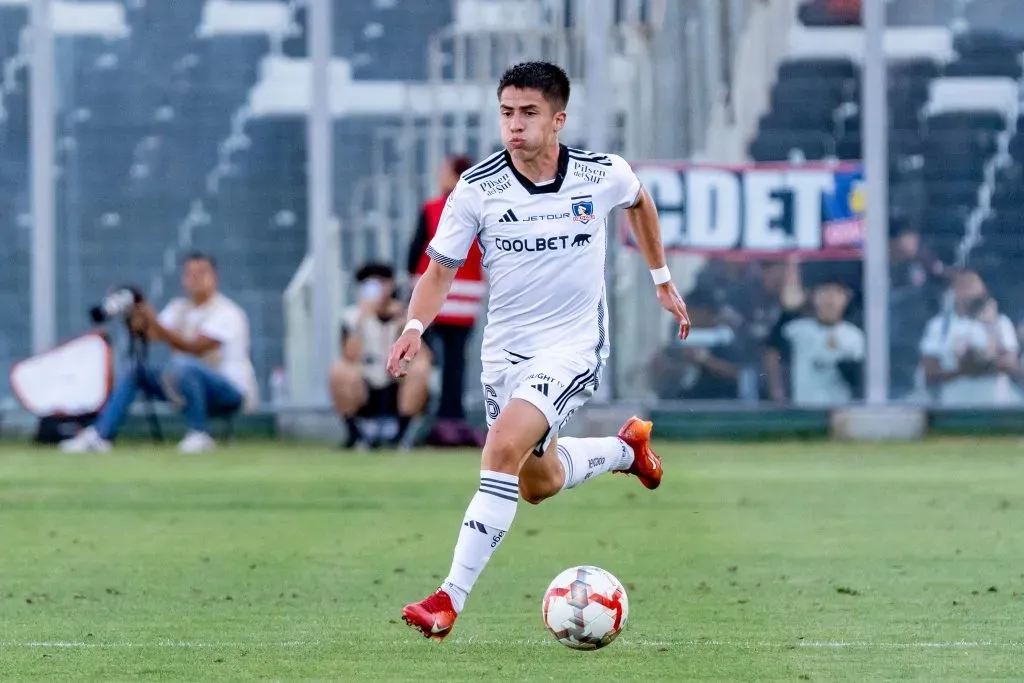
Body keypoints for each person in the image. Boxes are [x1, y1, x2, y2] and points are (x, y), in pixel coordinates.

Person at [386, 61, 690, 640]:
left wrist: (661, 277)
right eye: (506, 113)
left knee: (498, 448)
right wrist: (414, 326)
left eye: (528, 113)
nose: (515, 126)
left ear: (558, 119)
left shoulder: (602, 174)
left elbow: (640, 202)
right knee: (537, 482)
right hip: (505, 355)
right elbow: (439, 270)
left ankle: (447, 599)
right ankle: (626, 452)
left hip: (572, 348)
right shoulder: (476, 188)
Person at [60, 251, 259, 453]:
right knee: (136, 371)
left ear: (215, 277)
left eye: (201, 273)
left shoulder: (228, 313)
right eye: (190, 274)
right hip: (183, 384)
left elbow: (193, 348)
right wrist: (134, 315)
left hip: (229, 391)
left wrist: (153, 319)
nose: (195, 279)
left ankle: (199, 434)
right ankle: (101, 436)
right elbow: (151, 334)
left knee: (184, 363)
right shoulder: (178, 307)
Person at [407, 155, 486, 447]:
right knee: (456, 365)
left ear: (457, 176)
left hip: (433, 300)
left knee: (424, 360)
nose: (440, 176)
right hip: (466, 302)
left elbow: (416, 250)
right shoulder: (482, 209)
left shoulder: (433, 208)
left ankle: (423, 419)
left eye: (444, 171)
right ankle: (453, 418)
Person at [329, 263, 432, 449]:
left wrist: (404, 324)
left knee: (421, 368)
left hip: (398, 382)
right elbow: (350, 355)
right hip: (365, 382)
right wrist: (363, 317)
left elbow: (425, 355)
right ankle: (356, 435)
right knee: (339, 370)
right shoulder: (351, 317)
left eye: (382, 282)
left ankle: (402, 434)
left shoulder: (407, 315)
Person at [763, 259, 865, 406]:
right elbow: (771, 351)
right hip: (803, 408)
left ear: (847, 299)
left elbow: (861, 380)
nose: (830, 299)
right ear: (813, 296)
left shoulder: (855, 336)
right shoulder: (796, 329)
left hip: (841, 410)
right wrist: (777, 392)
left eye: (837, 293)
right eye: (824, 292)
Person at [919, 270, 1020, 405]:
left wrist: (983, 365)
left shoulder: (1001, 323)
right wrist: (960, 371)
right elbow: (930, 370)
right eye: (964, 286)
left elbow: (1010, 363)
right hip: (952, 406)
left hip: (994, 407)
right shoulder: (939, 326)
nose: (969, 292)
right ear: (953, 292)